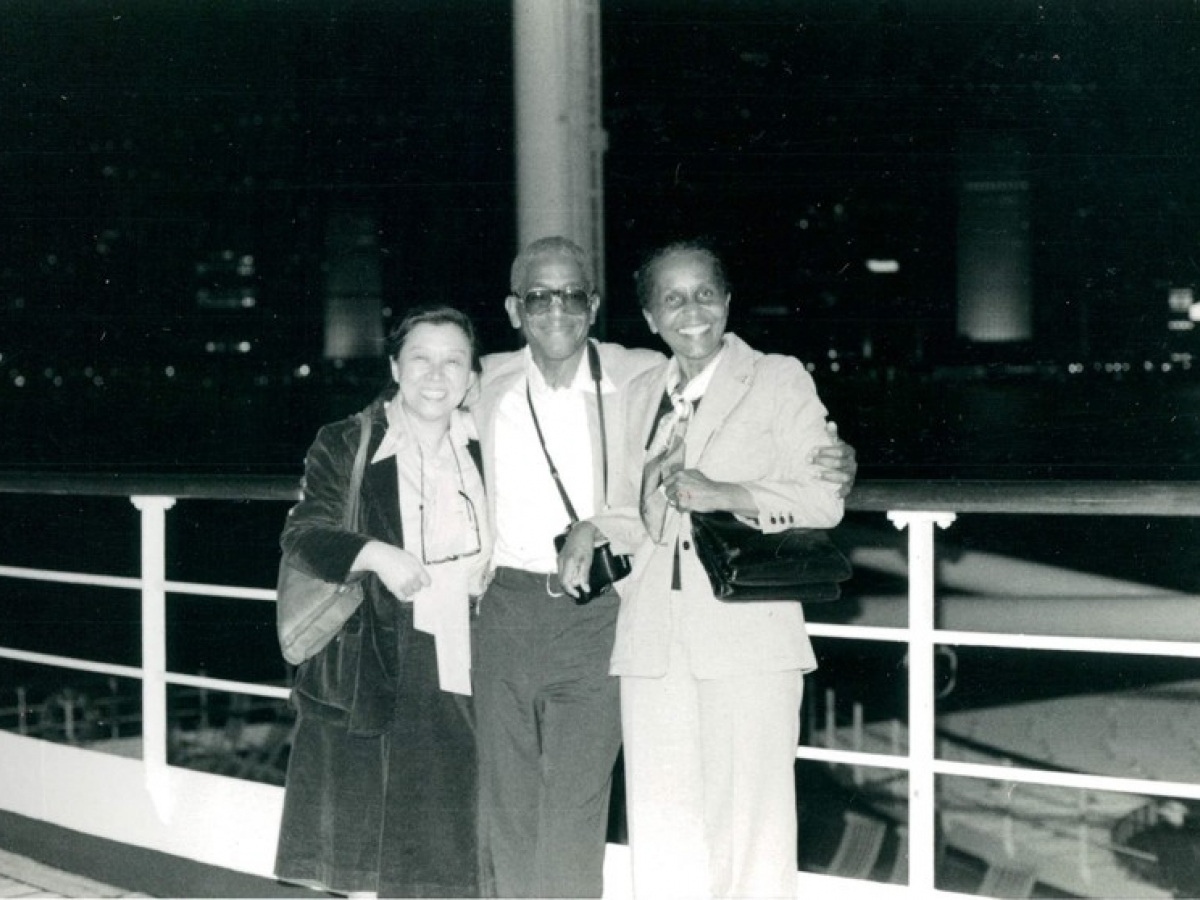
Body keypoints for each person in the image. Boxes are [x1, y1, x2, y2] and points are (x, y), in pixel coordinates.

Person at [471, 235, 857, 898]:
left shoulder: (775, 377)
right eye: (671, 299)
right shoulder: (639, 387)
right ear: (650, 318)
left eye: (704, 294)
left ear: (728, 301)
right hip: (650, 643)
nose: (691, 311)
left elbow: (822, 495)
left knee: (752, 829)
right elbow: (632, 508)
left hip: (746, 638)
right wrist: (588, 530)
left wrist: (728, 493)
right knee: (661, 827)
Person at [274, 305, 490, 898]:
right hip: (373, 655)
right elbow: (304, 534)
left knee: (450, 833)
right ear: (396, 365)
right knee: (364, 840)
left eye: (454, 361)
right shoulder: (349, 440)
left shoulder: (488, 445)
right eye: (420, 358)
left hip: (467, 653)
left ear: (473, 375)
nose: (436, 375)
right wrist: (374, 553)